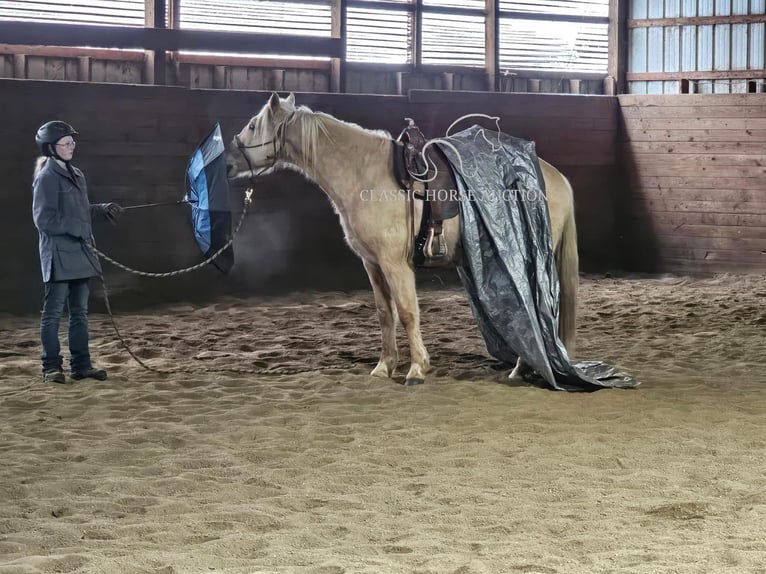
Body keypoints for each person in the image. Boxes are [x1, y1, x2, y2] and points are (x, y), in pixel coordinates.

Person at [32, 121, 123, 384]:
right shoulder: (46, 177)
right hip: (59, 254)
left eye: (73, 142)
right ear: (51, 148)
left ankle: (81, 365)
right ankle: (51, 367)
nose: (72, 147)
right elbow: (44, 219)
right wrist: (78, 227)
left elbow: (79, 209)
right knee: (52, 314)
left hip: (81, 253)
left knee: (80, 313)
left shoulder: (78, 174)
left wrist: (101, 209)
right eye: (66, 143)